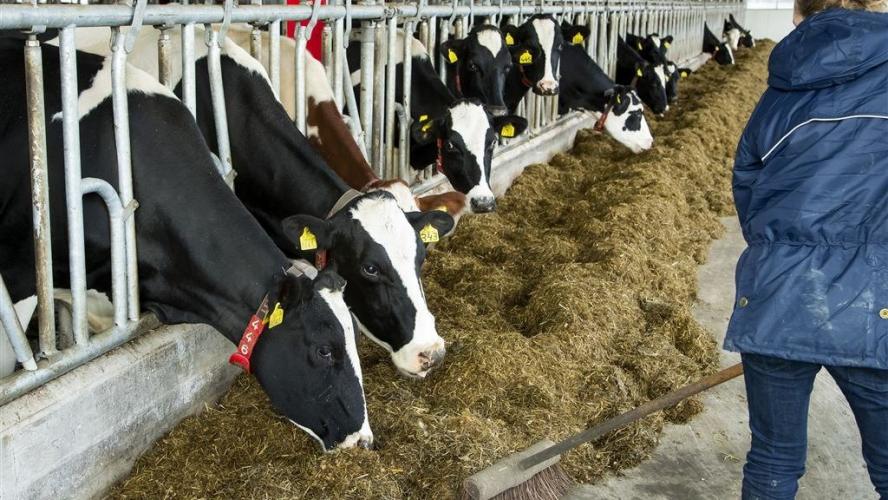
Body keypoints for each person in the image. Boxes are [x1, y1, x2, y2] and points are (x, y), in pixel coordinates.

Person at [725, 2, 888, 499]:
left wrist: (783, 254)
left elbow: (748, 183)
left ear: (802, 15)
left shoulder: (781, 89)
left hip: (776, 293)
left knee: (773, 457)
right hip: (872, 300)